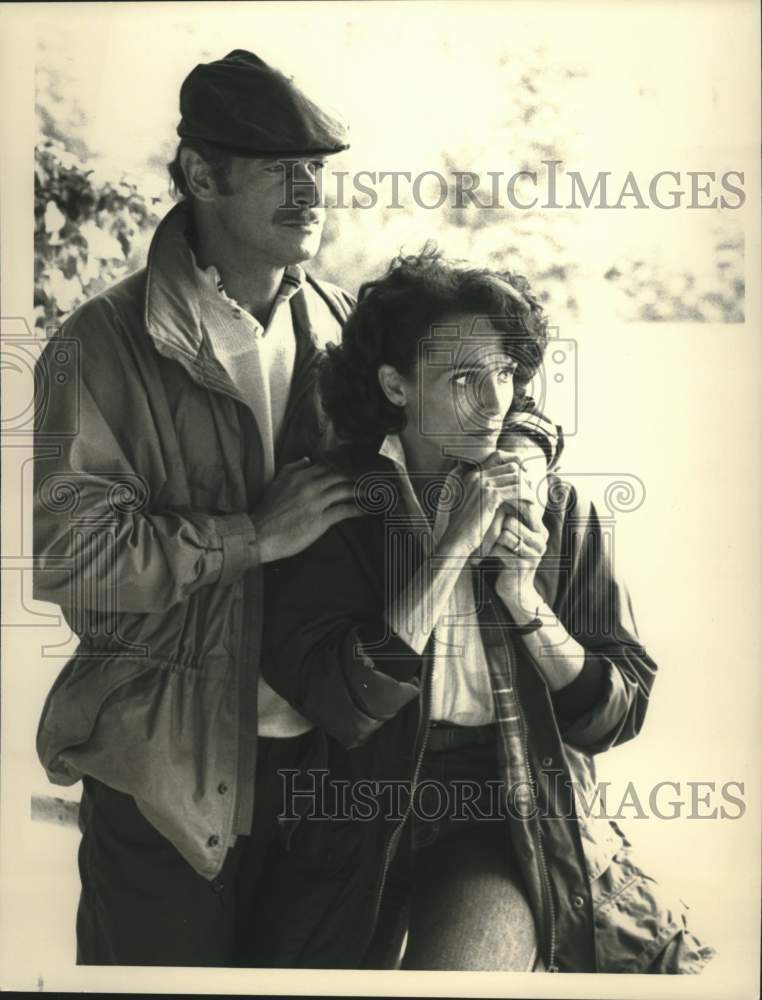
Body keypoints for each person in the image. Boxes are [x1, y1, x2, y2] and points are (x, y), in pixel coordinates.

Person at [260, 247, 716, 973]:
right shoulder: (335, 504)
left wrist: (523, 598)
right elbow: (341, 701)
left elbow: (617, 713)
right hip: (354, 816)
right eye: (463, 377)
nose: (493, 401)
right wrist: (453, 549)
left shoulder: (556, 508)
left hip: (503, 808)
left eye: (503, 373)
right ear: (396, 385)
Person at [33, 49, 362, 966]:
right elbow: (71, 558)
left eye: (317, 169)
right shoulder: (99, 342)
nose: (310, 192)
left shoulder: (345, 325)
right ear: (202, 176)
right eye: (280, 169)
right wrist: (252, 537)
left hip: (323, 776)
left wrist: (527, 446)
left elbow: (480, 388)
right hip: (161, 779)